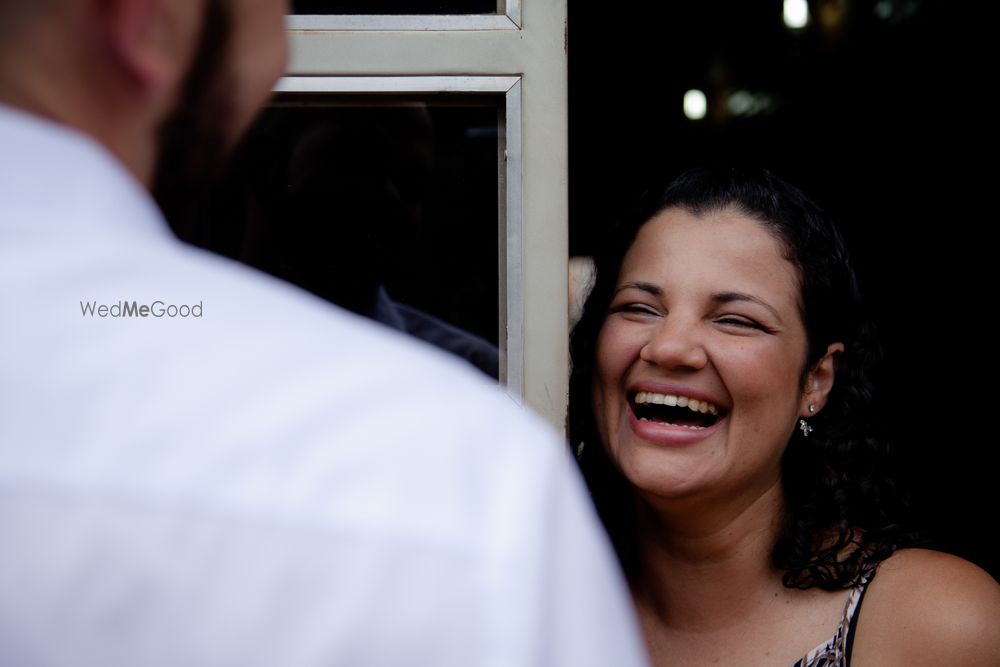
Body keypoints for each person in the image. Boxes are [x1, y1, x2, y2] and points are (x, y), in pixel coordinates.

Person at [0, 2, 648, 665]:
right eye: (273, 14)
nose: (387, 200)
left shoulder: (468, 418)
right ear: (142, 18)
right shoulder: (470, 489)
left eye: (411, 182)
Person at [568, 165, 1000, 666]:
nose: (669, 347)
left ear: (816, 380)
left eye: (735, 320)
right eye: (640, 308)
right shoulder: (524, 599)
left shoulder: (937, 625)